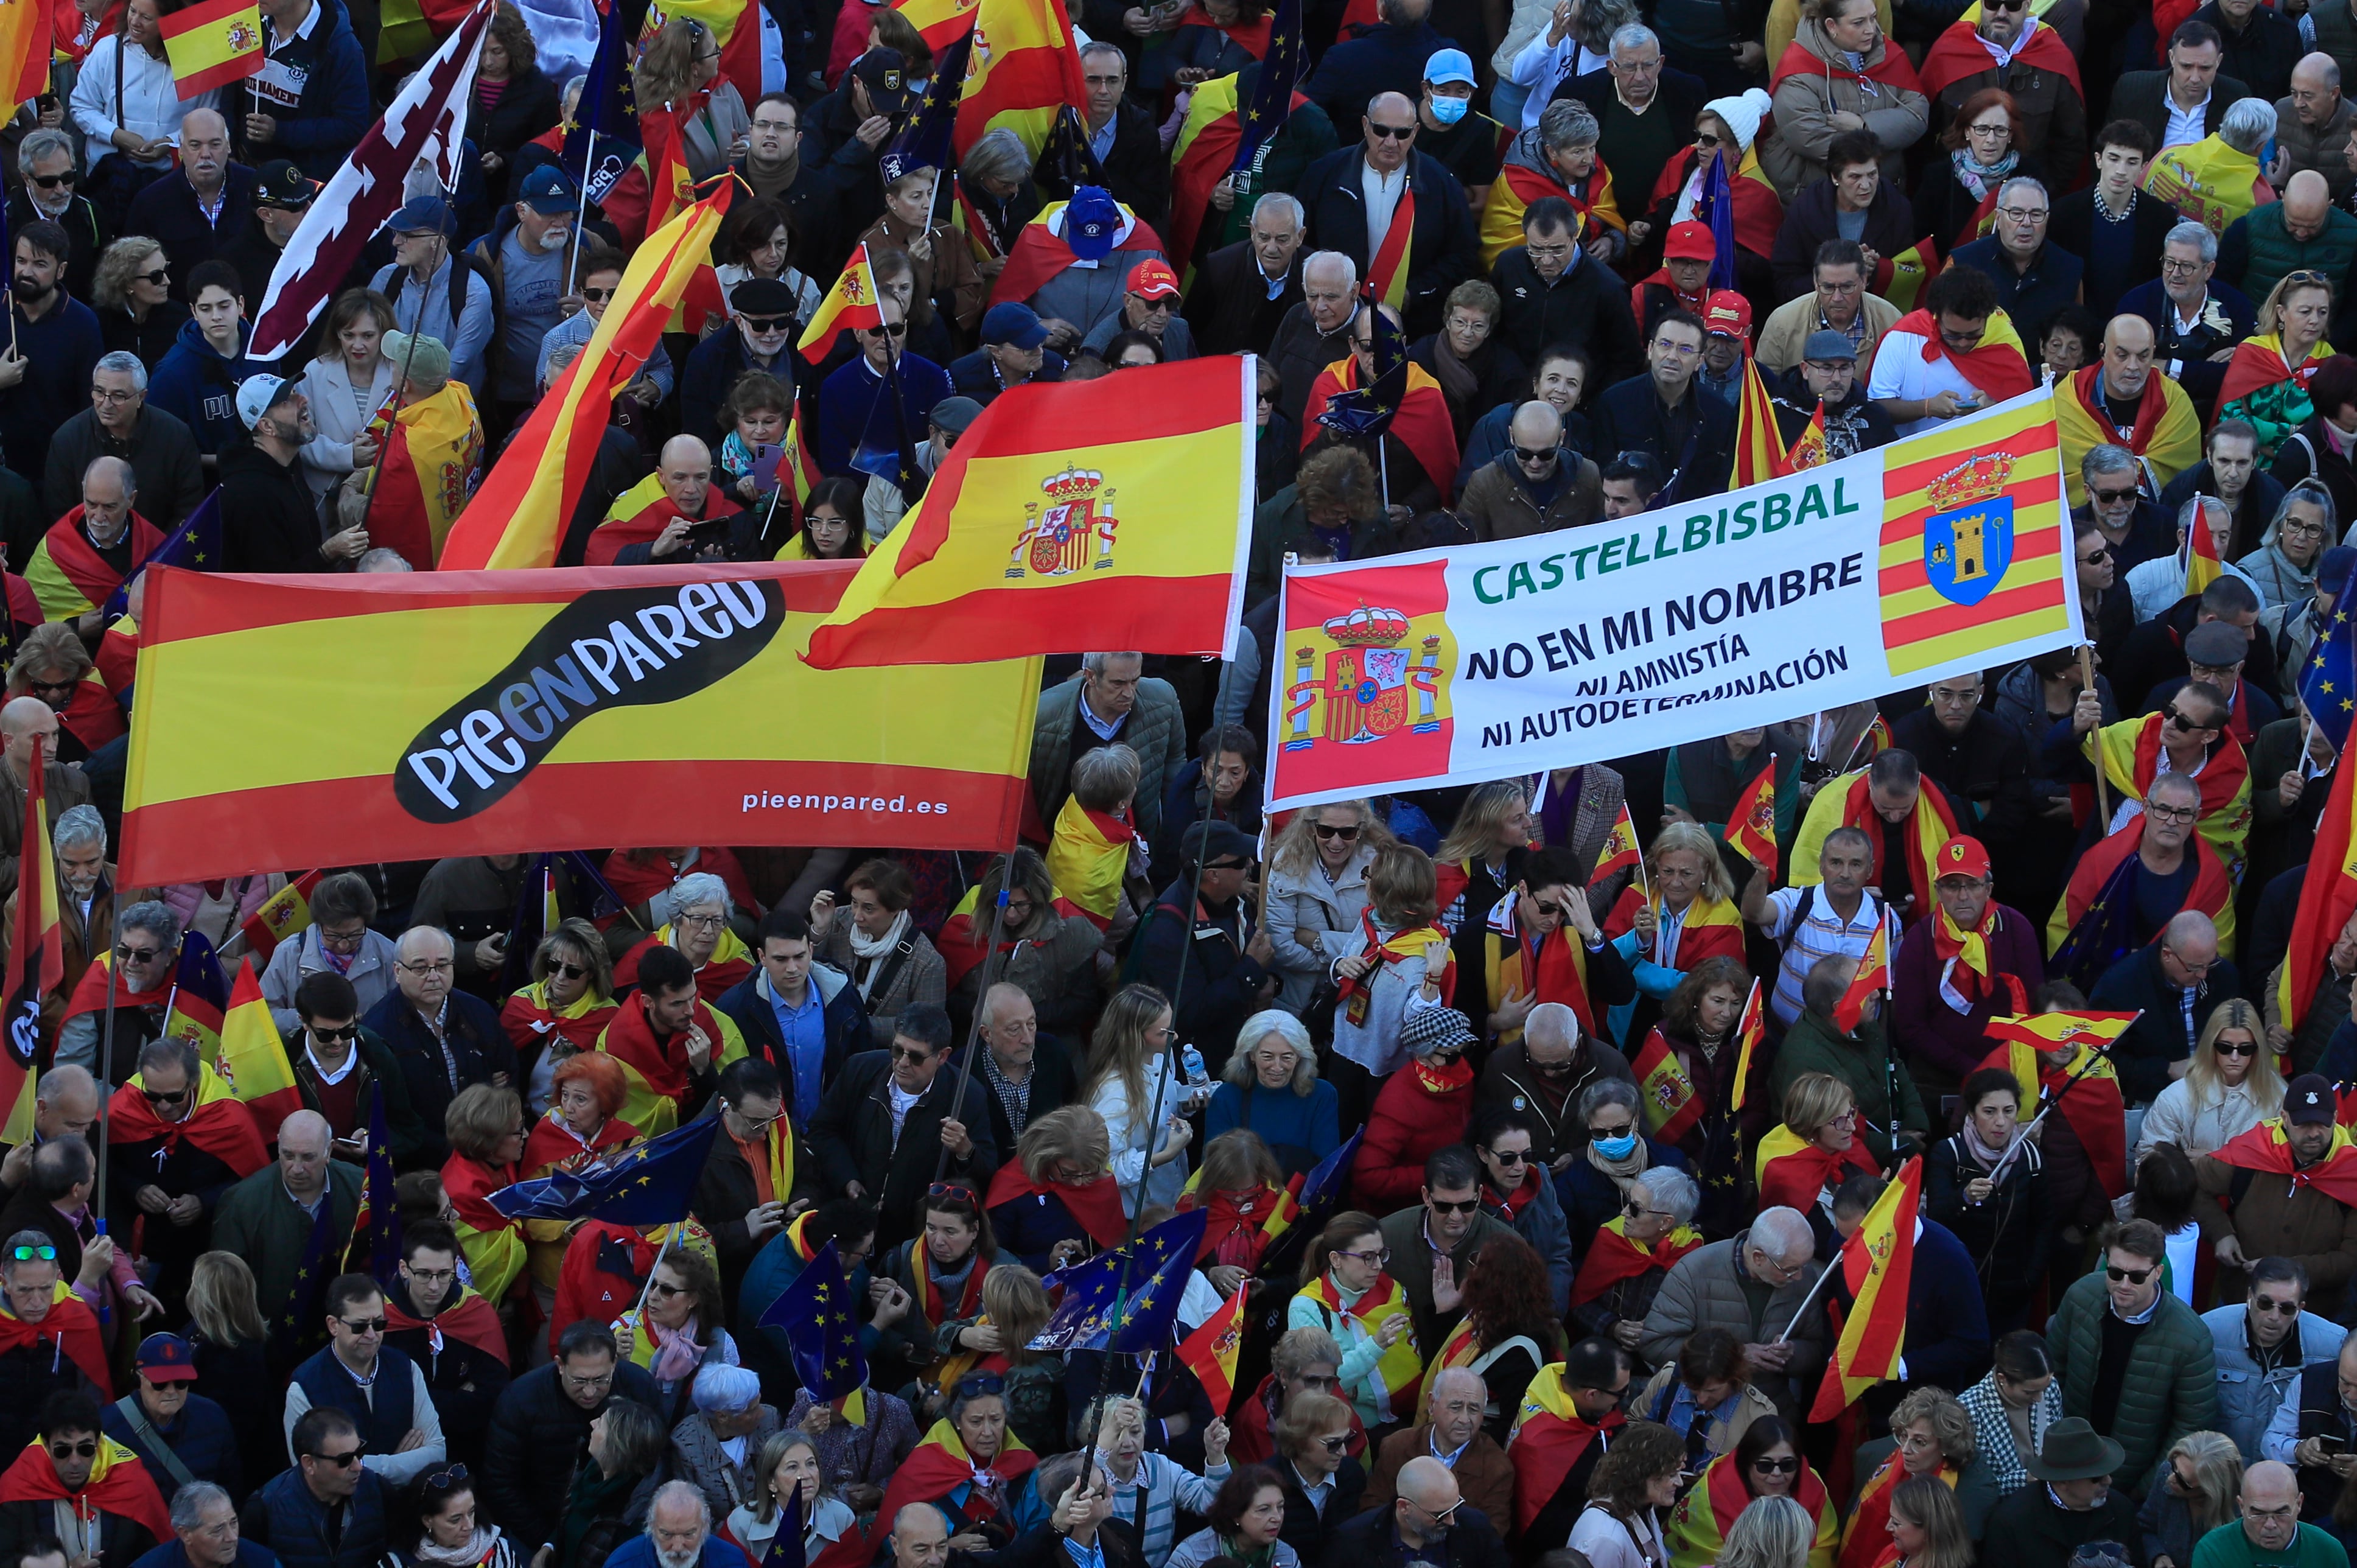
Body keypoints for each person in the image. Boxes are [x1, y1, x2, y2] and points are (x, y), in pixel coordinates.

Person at [2047, 1217, 2222, 1491]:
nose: (2124, 1284)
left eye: (2137, 1276)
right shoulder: (2081, 1296)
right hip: (2070, 1461)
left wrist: (2147, 1488)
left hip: (2134, 1480)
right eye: (2115, 1273)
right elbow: (2053, 1372)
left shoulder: (2191, 1337)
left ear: (2158, 1272)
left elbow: (2190, 1425)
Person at [808, 1002, 997, 1250]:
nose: (903, 1063)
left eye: (916, 1057)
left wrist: (965, 1150)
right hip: (850, 1222)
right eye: (897, 1050)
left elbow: (986, 1173)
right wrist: (847, 1178)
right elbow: (822, 1130)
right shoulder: (860, 1070)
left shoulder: (967, 1095)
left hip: (913, 1236)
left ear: (942, 1056)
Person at [1300, 93, 1479, 337]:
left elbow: (1463, 255)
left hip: (1410, 324)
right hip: (1331, 318)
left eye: (1402, 133)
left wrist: (1415, 292)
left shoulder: (1441, 184)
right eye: (1382, 131)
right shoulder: (1324, 174)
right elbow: (1302, 243)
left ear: (1415, 132)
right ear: (1365, 125)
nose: (1391, 142)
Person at [480, 1322, 663, 1556]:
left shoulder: (639, 1387)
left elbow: (655, 1465)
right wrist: (549, 1541)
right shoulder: (520, 1400)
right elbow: (501, 1483)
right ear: (560, 1365)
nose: (590, 1392)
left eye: (600, 1380)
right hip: (535, 1524)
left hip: (616, 1527)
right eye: (580, 1381)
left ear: (615, 1364)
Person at [1637, 1210, 1826, 1417]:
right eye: (1790, 1270)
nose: (1799, 1277)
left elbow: (1816, 1347)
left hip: (1770, 1415)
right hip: (1701, 1411)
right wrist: (1734, 1357)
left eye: (1803, 1266)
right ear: (1758, 1257)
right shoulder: (1694, 1272)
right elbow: (1656, 1344)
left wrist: (1792, 1354)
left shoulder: (1805, 1279)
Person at [208, 1110, 360, 1343]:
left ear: (329, 1151)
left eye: (308, 1157)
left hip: (349, 1337)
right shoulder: (242, 1202)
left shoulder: (362, 1188)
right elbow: (225, 1288)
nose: (296, 1168)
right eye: (288, 1156)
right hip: (268, 1339)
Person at [1924, 1068, 2053, 1332]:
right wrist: (1964, 1198)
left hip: (2014, 1289)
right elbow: (1935, 1219)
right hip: (1961, 1285)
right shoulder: (1948, 1153)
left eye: (2008, 1111)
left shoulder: (2032, 1158)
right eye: (1990, 1111)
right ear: (1972, 1113)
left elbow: (2045, 1223)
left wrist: (2031, 1278)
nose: (2001, 1122)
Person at [379, 1222, 508, 1472]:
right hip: (401, 1449)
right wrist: (459, 1397)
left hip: (467, 1449)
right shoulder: (381, 1319)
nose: (435, 1286)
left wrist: (419, 1401)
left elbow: (492, 1396)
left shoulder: (476, 1313)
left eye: (444, 1274)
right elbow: (383, 1398)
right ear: (404, 1269)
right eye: (424, 1274)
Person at [1868, 261, 2036, 436]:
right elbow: (1876, 408)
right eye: (1953, 335)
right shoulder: (1902, 337)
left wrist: (1994, 408)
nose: (1963, 343)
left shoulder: (2004, 339)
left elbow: (2025, 412)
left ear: (1988, 318)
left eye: (1974, 335)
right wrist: (1926, 408)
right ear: (1936, 317)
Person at [722, 1429, 856, 1563]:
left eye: (811, 1464)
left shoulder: (842, 1519)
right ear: (771, 1482)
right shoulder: (741, 1524)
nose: (806, 1475)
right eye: (792, 1467)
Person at [1564, 1419, 1683, 1568]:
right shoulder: (1605, 1539)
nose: (1680, 1483)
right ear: (1642, 1472)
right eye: (1672, 1474)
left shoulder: (1642, 1505)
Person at [1166, 1465, 1299, 1568]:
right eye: (1264, 1509)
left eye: (1280, 1507)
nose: (1277, 1517)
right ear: (1236, 1514)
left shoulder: (1287, 1557)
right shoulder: (1191, 1556)